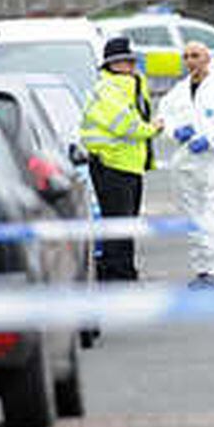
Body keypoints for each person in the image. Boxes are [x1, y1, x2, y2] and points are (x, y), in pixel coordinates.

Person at [157, 42, 214, 289]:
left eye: (195, 55)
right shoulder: (177, 91)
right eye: (186, 56)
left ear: (208, 58)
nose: (190, 60)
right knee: (193, 219)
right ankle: (202, 271)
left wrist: (210, 139)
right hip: (186, 165)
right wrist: (175, 132)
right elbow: (161, 121)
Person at [79, 36, 163, 281]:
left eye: (130, 60)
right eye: (123, 61)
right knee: (118, 224)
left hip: (128, 165)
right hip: (111, 164)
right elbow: (125, 124)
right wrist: (152, 128)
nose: (129, 65)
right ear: (111, 64)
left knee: (126, 223)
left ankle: (124, 271)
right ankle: (116, 275)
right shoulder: (109, 88)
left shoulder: (133, 83)